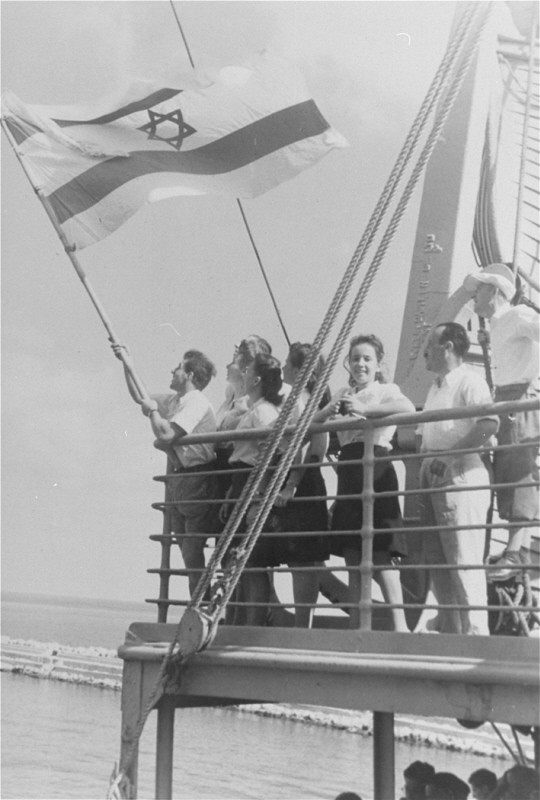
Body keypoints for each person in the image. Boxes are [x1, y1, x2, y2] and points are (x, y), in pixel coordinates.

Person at [317, 334, 414, 631]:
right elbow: (315, 424)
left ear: (378, 364)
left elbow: (408, 408)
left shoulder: (386, 389)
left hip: (376, 468)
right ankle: (360, 627)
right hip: (349, 472)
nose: (360, 364)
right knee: (352, 555)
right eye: (356, 358)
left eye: (367, 359)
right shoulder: (343, 393)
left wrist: (364, 409)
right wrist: (332, 409)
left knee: (381, 554)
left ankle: (401, 628)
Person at [113, 345, 219, 597]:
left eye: (178, 368)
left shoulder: (196, 403)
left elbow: (167, 433)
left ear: (190, 374)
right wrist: (127, 364)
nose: (172, 371)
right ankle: (201, 599)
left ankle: (201, 602)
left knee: (192, 550)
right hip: (180, 478)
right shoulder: (176, 400)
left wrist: (153, 413)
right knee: (185, 549)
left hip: (197, 478)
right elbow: (142, 397)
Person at [416, 322, 498, 635]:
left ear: (448, 347)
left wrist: (448, 456)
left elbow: (489, 424)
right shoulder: (436, 386)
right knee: (438, 559)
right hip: (432, 472)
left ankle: (477, 633)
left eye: (430, 343)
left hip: (460, 474)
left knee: (463, 556)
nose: (425, 351)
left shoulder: (469, 381)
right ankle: (451, 630)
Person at [463, 262, 539, 578]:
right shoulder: (498, 324)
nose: (474, 297)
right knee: (508, 471)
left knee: (519, 472)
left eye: (479, 289)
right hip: (505, 397)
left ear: (494, 291)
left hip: (520, 397)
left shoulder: (518, 315)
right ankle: (516, 549)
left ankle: (516, 552)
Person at [220, 352, 295, 626]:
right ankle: (240, 621)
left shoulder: (264, 411)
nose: (244, 374)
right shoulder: (255, 408)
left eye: (248, 371)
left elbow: (274, 449)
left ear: (257, 379)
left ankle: (250, 626)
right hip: (242, 482)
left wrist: (257, 491)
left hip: (252, 482)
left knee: (250, 561)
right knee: (241, 559)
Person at [275, 342, 331, 626]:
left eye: (288, 363)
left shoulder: (303, 401)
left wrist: (292, 483)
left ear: (299, 370)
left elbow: (312, 444)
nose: (283, 367)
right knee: (301, 560)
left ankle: (301, 625)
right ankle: (302, 623)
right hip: (302, 478)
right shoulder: (307, 400)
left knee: (304, 560)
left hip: (302, 481)